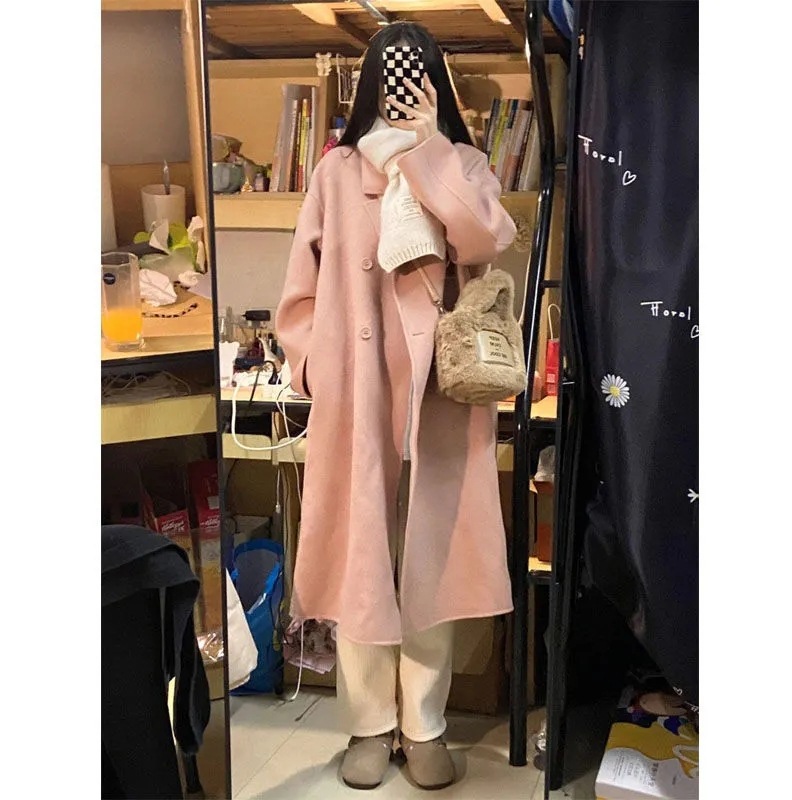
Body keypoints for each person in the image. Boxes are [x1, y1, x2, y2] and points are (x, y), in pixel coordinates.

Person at [276, 21, 517, 791]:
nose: (403, 88)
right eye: (391, 74)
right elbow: (299, 290)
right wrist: (312, 365)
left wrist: (430, 152)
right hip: (357, 397)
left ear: (436, 83)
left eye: (418, 74)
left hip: (440, 398)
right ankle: (368, 725)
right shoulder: (337, 171)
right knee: (361, 566)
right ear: (369, 83)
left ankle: (425, 726)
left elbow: (484, 241)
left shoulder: (463, 163)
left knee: (432, 568)